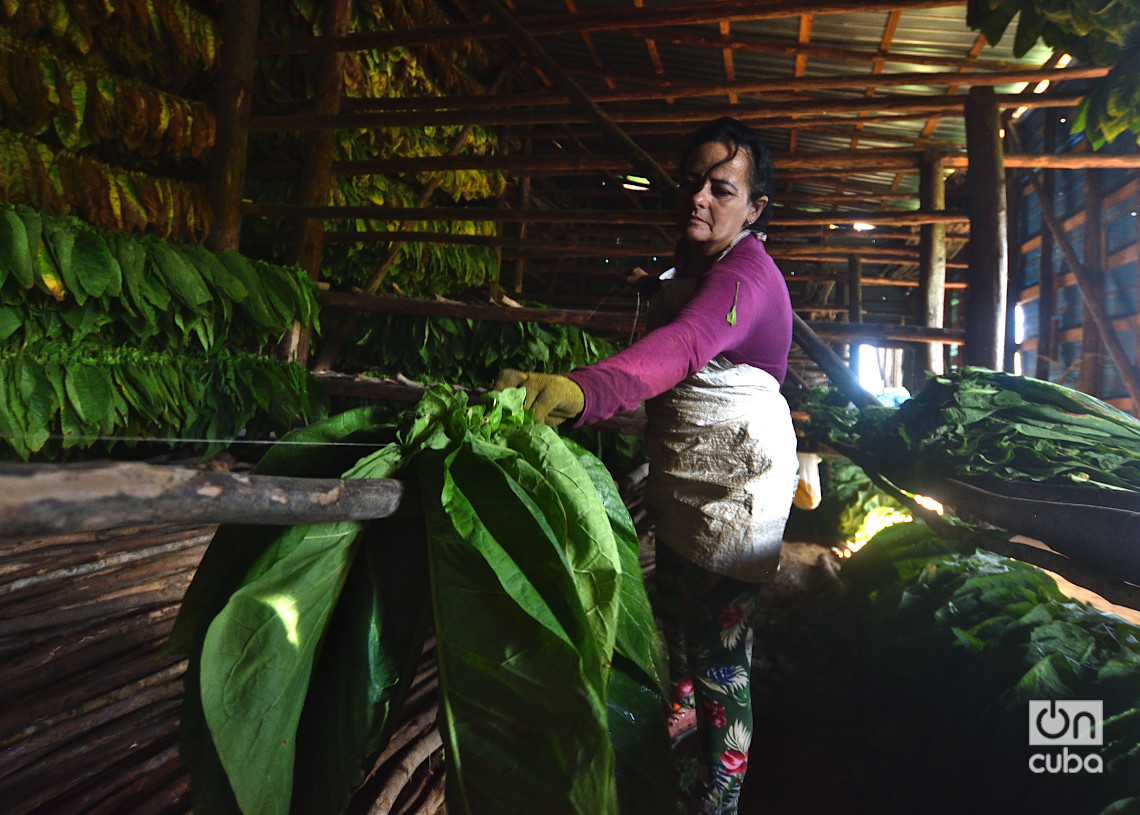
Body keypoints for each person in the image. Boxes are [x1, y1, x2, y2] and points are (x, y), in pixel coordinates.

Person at [494, 116, 798, 815]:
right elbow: (679, 290)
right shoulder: (696, 260)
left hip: (736, 486)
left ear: (755, 211)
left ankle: (718, 796)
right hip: (697, 478)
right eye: (691, 183)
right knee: (683, 606)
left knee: (723, 650)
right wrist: (650, 281)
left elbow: (683, 344)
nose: (698, 199)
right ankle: (685, 714)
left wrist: (582, 389)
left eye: (722, 189)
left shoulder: (745, 277)